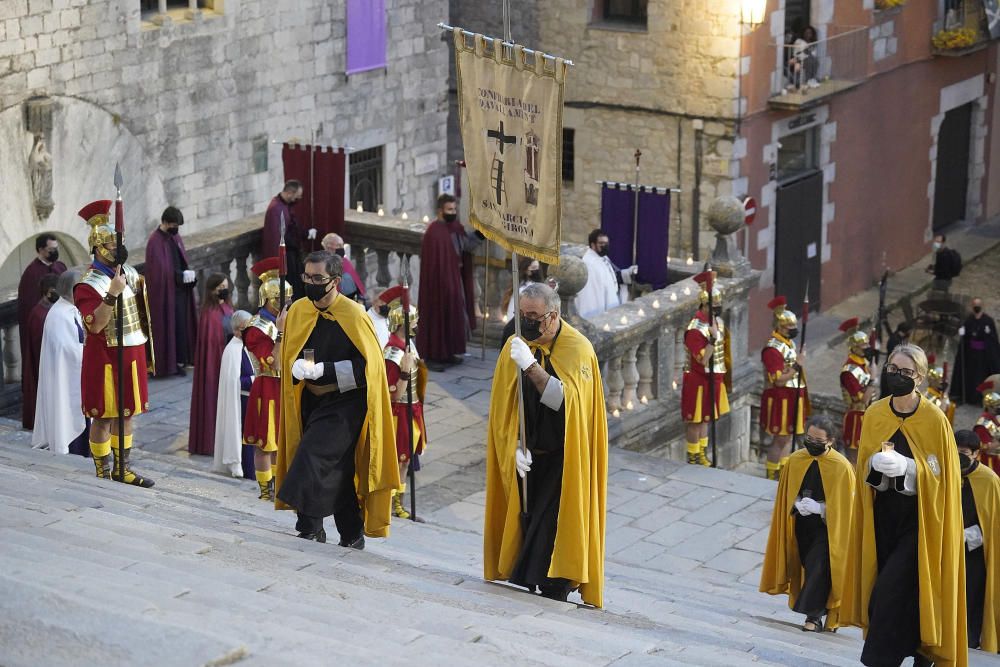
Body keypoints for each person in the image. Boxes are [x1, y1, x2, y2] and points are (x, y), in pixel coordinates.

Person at [842, 343, 968, 667]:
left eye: (906, 372)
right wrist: (875, 466)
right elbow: (862, 469)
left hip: (920, 523)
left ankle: (879, 659)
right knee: (898, 592)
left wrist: (911, 469)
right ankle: (920, 652)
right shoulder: (875, 413)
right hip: (883, 517)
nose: (897, 376)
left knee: (889, 589)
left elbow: (944, 476)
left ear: (921, 378)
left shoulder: (934, 420)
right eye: (893, 370)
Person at [484, 282, 608, 605]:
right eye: (521, 314)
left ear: (552, 317)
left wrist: (531, 367)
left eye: (533, 316)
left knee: (552, 528)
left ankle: (558, 586)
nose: (525, 322)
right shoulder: (516, 343)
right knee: (525, 523)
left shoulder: (578, 350)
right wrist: (513, 444)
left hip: (563, 460)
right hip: (528, 456)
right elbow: (502, 407)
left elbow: (568, 406)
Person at [274, 250, 400, 547]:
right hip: (310, 400)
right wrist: (296, 369)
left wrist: (324, 371)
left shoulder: (354, 315)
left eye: (318, 278)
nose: (311, 283)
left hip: (346, 403)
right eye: (307, 277)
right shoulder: (300, 310)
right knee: (338, 467)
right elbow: (287, 354)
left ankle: (308, 525)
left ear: (336, 281)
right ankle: (351, 532)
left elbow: (368, 368)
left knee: (312, 454)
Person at [74, 199, 155, 487]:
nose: (117, 250)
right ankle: (102, 470)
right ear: (97, 248)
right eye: (110, 245)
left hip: (132, 348)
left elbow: (142, 315)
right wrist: (111, 293)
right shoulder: (87, 284)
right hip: (104, 353)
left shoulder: (131, 273)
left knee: (127, 412)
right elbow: (95, 324)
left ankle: (124, 468)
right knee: (105, 416)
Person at [760, 414, 855, 632]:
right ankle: (822, 611)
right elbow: (786, 492)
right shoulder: (796, 459)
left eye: (818, 441)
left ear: (830, 441)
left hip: (828, 529)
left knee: (819, 566)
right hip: (802, 525)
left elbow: (846, 507)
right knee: (807, 566)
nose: (811, 444)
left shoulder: (841, 467)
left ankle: (812, 618)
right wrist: (797, 503)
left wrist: (821, 508)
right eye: (808, 438)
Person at [243, 258, 292, 500]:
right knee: (265, 443)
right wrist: (281, 333)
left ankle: (279, 487)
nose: (288, 305)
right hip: (267, 386)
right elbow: (274, 361)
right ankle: (266, 490)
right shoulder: (257, 328)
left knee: (281, 442)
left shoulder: (287, 321)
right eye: (284, 300)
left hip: (285, 386)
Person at [416, 193, 480, 371]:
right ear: (440, 211)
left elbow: (465, 247)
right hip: (437, 286)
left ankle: (449, 353)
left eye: (454, 209)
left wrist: (480, 235)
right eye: (449, 209)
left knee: (453, 316)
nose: (453, 212)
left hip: (454, 280)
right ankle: (433, 356)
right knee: (437, 317)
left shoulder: (456, 228)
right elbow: (432, 263)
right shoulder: (433, 232)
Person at [379, 286, 428, 520]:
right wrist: (405, 373)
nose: (417, 325)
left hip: (413, 408)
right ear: (402, 324)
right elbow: (393, 395)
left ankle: (398, 505)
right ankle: (389, 505)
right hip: (400, 412)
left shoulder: (407, 347)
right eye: (414, 321)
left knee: (406, 461)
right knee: (397, 461)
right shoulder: (393, 355)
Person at [32, 267, 88, 457]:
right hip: (67, 380)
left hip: (80, 379)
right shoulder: (59, 315)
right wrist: (89, 354)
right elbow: (65, 350)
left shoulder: (71, 310)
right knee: (68, 419)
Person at [955, 428, 1000, 652]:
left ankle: (970, 641)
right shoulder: (945, 472)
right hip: (945, 549)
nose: (958, 457)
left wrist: (964, 536)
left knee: (970, 599)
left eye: (963, 452)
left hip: (974, 553)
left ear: (976, 454)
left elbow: (994, 524)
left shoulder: (989, 480)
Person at [681, 271, 730, 466]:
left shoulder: (716, 322)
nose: (718, 308)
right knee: (696, 420)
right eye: (714, 305)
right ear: (705, 304)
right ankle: (694, 455)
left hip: (714, 377)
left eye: (719, 304)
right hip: (698, 378)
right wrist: (711, 339)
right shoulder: (695, 329)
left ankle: (702, 453)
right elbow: (702, 359)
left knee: (706, 418)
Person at [18, 232, 66, 429]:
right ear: (40, 250)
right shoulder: (31, 274)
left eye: (56, 248)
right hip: (44, 335)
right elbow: (31, 309)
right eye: (50, 250)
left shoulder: (61, 267)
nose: (54, 252)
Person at [760, 296, 810, 480]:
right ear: (780, 327)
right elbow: (779, 380)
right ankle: (772, 473)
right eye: (789, 328)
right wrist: (797, 365)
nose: (793, 331)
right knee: (780, 438)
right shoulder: (772, 349)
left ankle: (784, 471)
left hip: (792, 394)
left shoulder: (788, 343)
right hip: (780, 396)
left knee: (788, 437)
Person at [145, 206, 197, 377]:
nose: (176, 229)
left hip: (179, 290)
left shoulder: (174, 237)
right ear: (165, 223)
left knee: (180, 327)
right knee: (168, 327)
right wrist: (178, 275)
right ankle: (169, 364)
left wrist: (187, 275)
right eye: (174, 225)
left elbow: (179, 261)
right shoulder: (155, 241)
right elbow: (158, 272)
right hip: (165, 295)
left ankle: (180, 360)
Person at [188, 273, 234, 457]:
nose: (223, 289)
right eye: (220, 287)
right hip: (215, 366)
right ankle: (209, 443)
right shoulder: (209, 314)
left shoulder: (228, 307)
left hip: (228, 360)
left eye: (225, 285)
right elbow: (211, 346)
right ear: (212, 290)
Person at [214, 310, 253, 478]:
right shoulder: (232, 350)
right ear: (237, 330)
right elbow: (233, 383)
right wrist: (255, 378)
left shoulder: (248, 345)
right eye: (246, 328)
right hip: (241, 402)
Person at [262, 180, 315, 301]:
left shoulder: (284, 205)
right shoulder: (276, 209)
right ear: (290, 193)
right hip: (286, 258)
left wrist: (305, 234)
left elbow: (292, 228)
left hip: (291, 255)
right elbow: (276, 238)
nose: (299, 198)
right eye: (298, 195)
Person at [21, 274, 59, 431]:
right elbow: (39, 346)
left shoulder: (52, 309)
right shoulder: (38, 314)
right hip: (44, 366)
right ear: (48, 291)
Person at [576, 229, 637, 319]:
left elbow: (611, 276)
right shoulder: (590, 264)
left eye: (606, 243)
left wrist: (628, 273)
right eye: (602, 243)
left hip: (610, 302)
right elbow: (591, 295)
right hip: (597, 311)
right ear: (593, 245)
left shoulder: (603, 258)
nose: (605, 246)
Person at [838, 318, 875, 464]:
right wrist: (873, 380)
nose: (867, 347)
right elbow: (863, 400)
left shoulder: (863, 363)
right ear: (854, 347)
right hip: (855, 418)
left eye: (867, 343)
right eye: (863, 345)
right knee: (854, 459)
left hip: (867, 416)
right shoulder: (849, 371)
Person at [952, 298, 1000, 405]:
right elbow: (966, 339)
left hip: (982, 356)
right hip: (970, 355)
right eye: (974, 305)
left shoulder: (988, 321)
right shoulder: (969, 320)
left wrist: (988, 335)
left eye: (978, 305)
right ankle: (968, 397)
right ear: (972, 307)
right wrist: (963, 334)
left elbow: (993, 341)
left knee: (979, 377)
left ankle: (978, 399)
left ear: (982, 306)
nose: (976, 307)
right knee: (969, 377)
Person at [321, 233, 366, 303]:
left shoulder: (345, 261)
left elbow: (357, 283)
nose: (341, 248)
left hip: (354, 300)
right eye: (339, 245)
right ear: (329, 247)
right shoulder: (322, 264)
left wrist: (361, 299)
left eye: (342, 245)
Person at [504, 256, 545, 320]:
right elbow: (512, 310)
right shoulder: (521, 288)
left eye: (536, 268)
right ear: (526, 270)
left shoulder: (541, 288)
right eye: (533, 268)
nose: (535, 271)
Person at [974, 381, 1000, 475]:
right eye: (997, 406)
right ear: (989, 407)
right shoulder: (982, 425)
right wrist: (998, 442)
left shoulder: (995, 418)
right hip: (989, 462)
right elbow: (982, 446)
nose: (999, 408)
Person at [924, 354, 956, 425]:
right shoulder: (928, 397)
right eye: (939, 380)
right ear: (932, 381)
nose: (942, 382)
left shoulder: (942, 394)